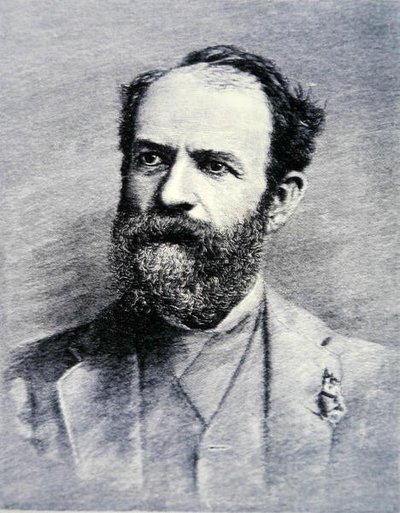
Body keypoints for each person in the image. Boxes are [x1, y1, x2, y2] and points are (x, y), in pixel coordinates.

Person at [4, 46, 398, 512]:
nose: (171, 194)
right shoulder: (22, 385)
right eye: (151, 159)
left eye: (214, 166)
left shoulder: (379, 386)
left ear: (278, 202)